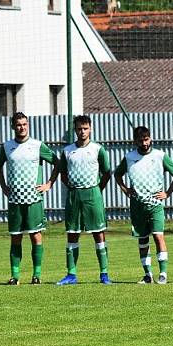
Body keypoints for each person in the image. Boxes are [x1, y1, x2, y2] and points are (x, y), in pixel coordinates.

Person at [0, 112, 59, 285]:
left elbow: (57, 163)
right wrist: (3, 186)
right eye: (18, 125)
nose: (21, 127)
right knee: (16, 237)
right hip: (15, 199)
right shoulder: (7, 146)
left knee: (35, 236)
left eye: (24, 124)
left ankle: (36, 275)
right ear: (12, 126)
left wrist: (48, 184)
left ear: (28, 125)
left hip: (33, 199)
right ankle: (15, 276)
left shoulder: (37, 145)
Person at [114, 126, 173, 284]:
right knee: (143, 240)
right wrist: (125, 189)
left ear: (150, 138)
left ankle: (163, 274)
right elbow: (117, 174)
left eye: (146, 139)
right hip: (137, 206)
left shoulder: (160, 156)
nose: (144, 143)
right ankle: (148, 275)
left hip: (155, 205)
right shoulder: (129, 157)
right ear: (135, 141)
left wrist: (167, 193)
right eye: (141, 140)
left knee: (158, 237)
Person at [56, 115, 113, 285]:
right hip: (74, 196)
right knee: (72, 233)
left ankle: (104, 274)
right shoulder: (67, 151)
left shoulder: (97, 149)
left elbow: (107, 172)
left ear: (91, 129)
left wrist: (96, 189)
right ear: (75, 130)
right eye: (79, 129)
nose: (82, 131)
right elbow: (63, 174)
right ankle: (71, 274)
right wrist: (72, 187)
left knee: (99, 233)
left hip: (93, 194)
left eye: (85, 128)